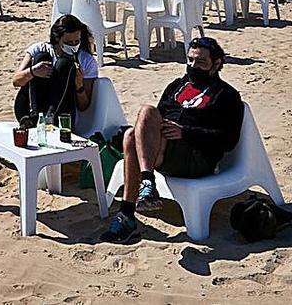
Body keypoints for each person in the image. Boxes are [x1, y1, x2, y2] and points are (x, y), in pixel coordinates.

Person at [102, 37, 243, 244]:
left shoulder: (226, 96)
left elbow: (228, 140)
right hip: (167, 153)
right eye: (190, 60)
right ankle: (130, 211)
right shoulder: (177, 86)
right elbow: (154, 122)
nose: (194, 66)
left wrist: (186, 132)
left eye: (201, 62)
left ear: (216, 64)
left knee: (143, 117)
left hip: (196, 158)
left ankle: (141, 192)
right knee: (131, 134)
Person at [11, 15, 98, 122]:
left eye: (77, 42)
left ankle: (50, 115)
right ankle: (34, 115)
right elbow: (16, 81)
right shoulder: (40, 48)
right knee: (41, 57)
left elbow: (83, 106)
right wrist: (33, 71)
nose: (73, 46)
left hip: (61, 112)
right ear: (57, 39)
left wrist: (79, 85)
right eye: (68, 43)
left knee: (65, 64)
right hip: (32, 106)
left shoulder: (86, 61)